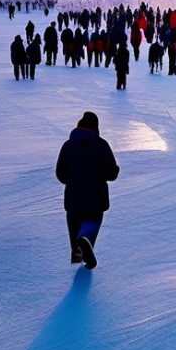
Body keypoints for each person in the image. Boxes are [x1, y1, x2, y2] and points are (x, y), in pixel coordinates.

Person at [55, 111, 119, 269]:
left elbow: (61, 174)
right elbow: (110, 174)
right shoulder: (101, 145)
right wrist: (115, 169)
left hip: (73, 199)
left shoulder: (68, 146)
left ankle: (77, 260)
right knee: (90, 227)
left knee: (75, 235)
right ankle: (86, 242)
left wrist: (74, 181)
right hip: (96, 199)